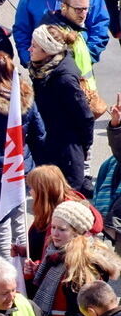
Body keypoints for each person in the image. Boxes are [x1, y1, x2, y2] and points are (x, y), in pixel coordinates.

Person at [0, 52, 44, 258]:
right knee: (20, 220)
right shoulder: (25, 96)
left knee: (1, 226)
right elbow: (40, 134)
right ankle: (24, 269)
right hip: (23, 168)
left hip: (0, 175)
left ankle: (6, 272)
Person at [29, 24, 95, 194]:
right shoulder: (41, 70)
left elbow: (85, 117)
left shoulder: (64, 79)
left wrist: (84, 147)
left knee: (66, 201)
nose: (30, 49)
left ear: (47, 51)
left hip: (67, 153)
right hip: (49, 145)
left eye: (34, 46)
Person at [33, 200, 119, 316]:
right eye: (53, 227)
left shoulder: (82, 265)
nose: (55, 233)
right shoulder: (55, 252)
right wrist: (32, 273)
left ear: (77, 232)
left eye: (62, 229)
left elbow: (80, 313)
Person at [15, 0, 108, 68]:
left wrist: (87, 57)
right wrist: (29, 60)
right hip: (41, 69)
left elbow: (99, 25)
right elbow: (21, 30)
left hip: (78, 69)